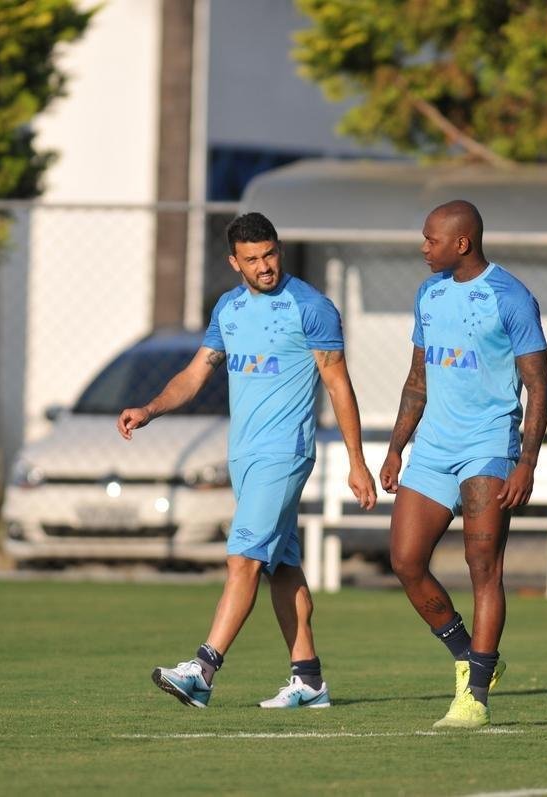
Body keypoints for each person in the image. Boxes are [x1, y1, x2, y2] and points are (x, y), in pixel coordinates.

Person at [118, 211, 377, 709]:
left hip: (285, 453)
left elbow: (338, 384)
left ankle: (202, 669)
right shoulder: (228, 310)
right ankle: (309, 682)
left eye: (271, 254)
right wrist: (150, 409)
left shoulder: (312, 307)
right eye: (253, 259)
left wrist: (356, 461)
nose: (265, 266)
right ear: (233, 262)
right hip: (244, 456)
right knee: (282, 567)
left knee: (244, 559)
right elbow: (195, 375)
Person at [380, 199, 547, 729]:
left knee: (484, 569)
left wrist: (526, 462)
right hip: (433, 448)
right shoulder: (428, 293)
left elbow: (539, 386)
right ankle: (467, 652)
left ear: (461, 243)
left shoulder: (512, 297)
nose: (423, 247)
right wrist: (395, 446)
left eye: (431, 239)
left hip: (488, 446)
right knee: (406, 560)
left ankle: (474, 694)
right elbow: (418, 379)